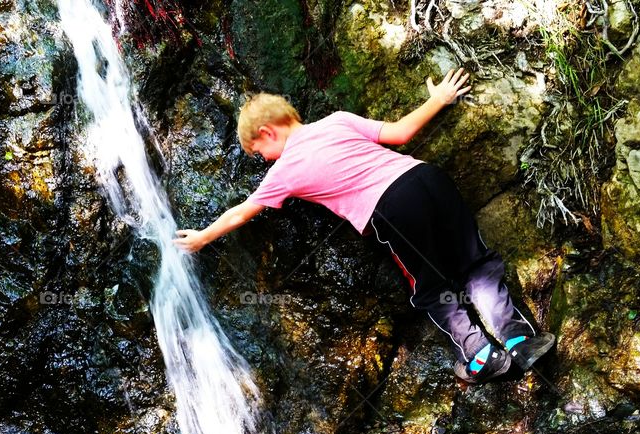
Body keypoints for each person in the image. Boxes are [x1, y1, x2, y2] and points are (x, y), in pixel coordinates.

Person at [173, 68, 555, 384]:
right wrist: (439, 99)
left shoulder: (283, 170)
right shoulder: (336, 121)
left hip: (393, 208)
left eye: (260, 152)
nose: (264, 159)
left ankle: (479, 354)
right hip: (426, 177)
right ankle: (519, 339)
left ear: (268, 133)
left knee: (430, 286)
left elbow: (241, 211)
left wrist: (204, 236)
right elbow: (401, 134)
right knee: (474, 263)